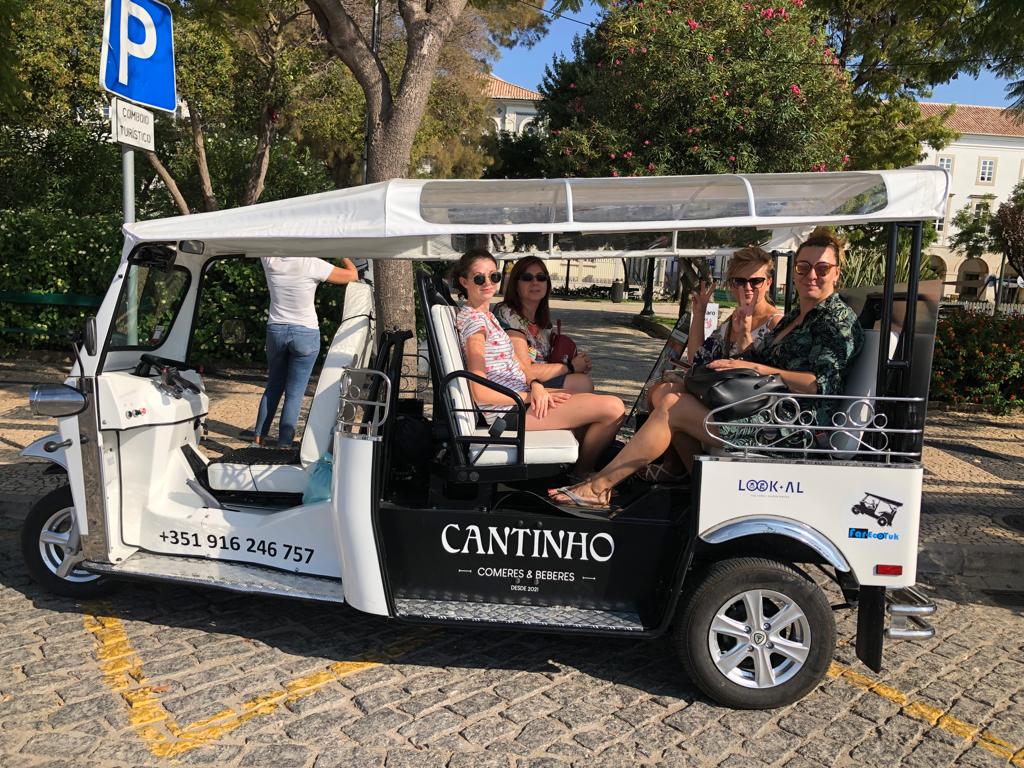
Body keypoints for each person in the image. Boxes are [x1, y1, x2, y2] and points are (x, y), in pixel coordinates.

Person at [549, 231, 863, 510]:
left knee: (673, 407)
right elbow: (745, 360)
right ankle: (684, 485)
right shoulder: (797, 318)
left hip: (789, 428)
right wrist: (741, 347)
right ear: (794, 272)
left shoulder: (836, 321)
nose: (811, 275)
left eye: (822, 269)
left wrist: (751, 363)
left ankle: (599, 487)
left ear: (837, 273)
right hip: (766, 410)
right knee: (670, 393)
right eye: (803, 267)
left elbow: (816, 385)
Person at [453, 249, 624, 476]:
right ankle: (581, 476)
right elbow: (480, 392)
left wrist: (535, 385)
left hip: (521, 399)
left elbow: (515, 366)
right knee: (613, 408)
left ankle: (573, 470)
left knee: (590, 397)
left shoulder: (488, 316)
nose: (488, 283)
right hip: (508, 413)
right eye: (479, 278)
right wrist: (528, 396)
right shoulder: (475, 323)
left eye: (493, 276)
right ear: (464, 281)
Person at [641, 246, 784, 481]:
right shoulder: (733, 320)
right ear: (732, 285)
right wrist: (700, 312)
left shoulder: (775, 324)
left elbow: (764, 379)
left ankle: (688, 479)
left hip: (749, 412)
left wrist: (745, 334)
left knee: (671, 402)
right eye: (740, 281)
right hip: (723, 401)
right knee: (660, 390)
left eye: (756, 281)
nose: (748, 288)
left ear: (768, 283)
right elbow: (699, 360)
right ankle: (682, 471)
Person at [252, 255, 359, 447]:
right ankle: (284, 444)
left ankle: (258, 440)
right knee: (295, 393)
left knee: (273, 386)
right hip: (306, 333)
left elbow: (259, 241)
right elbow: (353, 275)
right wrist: (341, 253)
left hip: (276, 330)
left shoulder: (270, 259)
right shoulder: (313, 263)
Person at [494, 256, 593, 393]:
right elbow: (525, 370)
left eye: (541, 277)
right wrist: (570, 367)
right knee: (582, 383)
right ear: (515, 284)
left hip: (539, 383)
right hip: (519, 388)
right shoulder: (507, 314)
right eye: (527, 277)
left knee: (582, 383)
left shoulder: (542, 321)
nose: (535, 282)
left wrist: (578, 361)